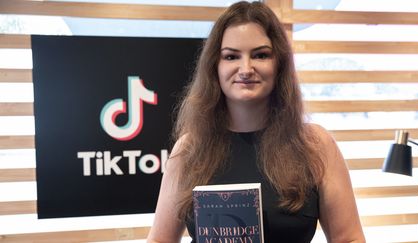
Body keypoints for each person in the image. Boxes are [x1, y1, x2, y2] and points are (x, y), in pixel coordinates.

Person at [147, 1, 365, 242]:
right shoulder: (190, 150)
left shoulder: (315, 145)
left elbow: (349, 238)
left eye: (260, 55)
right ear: (215, 67)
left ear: (279, 64)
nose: (246, 69)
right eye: (231, 56)